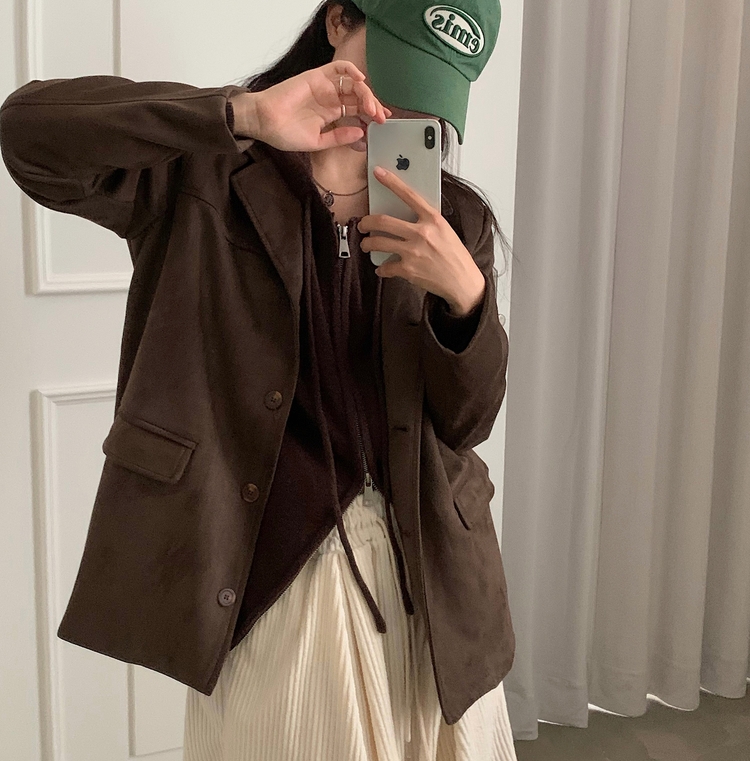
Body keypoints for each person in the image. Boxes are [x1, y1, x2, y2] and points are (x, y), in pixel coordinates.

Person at [0, 0, 516, 758]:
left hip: (432, 580)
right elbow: (28, 134)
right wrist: (242, 114)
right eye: (395, 73)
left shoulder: (451, 218)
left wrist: (465, 302)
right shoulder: (204, 176)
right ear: (338, 23)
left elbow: (469, 422)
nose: (401, 111)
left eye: (428, 94)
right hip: (276, 577)